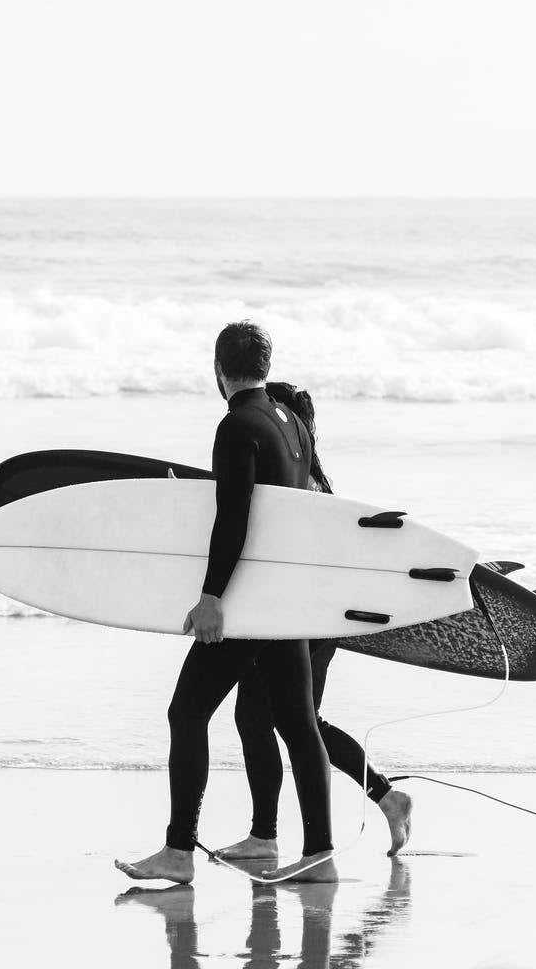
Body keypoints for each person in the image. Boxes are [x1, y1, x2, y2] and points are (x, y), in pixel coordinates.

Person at [115, 321, 337, 885]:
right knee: (296, 721)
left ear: (218, 369)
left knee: (187, 711)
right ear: (265, 363)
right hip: (283, 600)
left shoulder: (236, 425)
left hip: (249, 602)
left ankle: (178, 850)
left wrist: (212, 598)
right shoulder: (290, 421)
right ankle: (318, 853)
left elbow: (234, 515)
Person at [213, 382, 413, 861]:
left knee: (286, 721)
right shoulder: (309, 478)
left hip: (306, 620)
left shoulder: (297, 485)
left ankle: (271, 836)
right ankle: (379, 801)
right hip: (305, 617)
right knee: (280, 721)